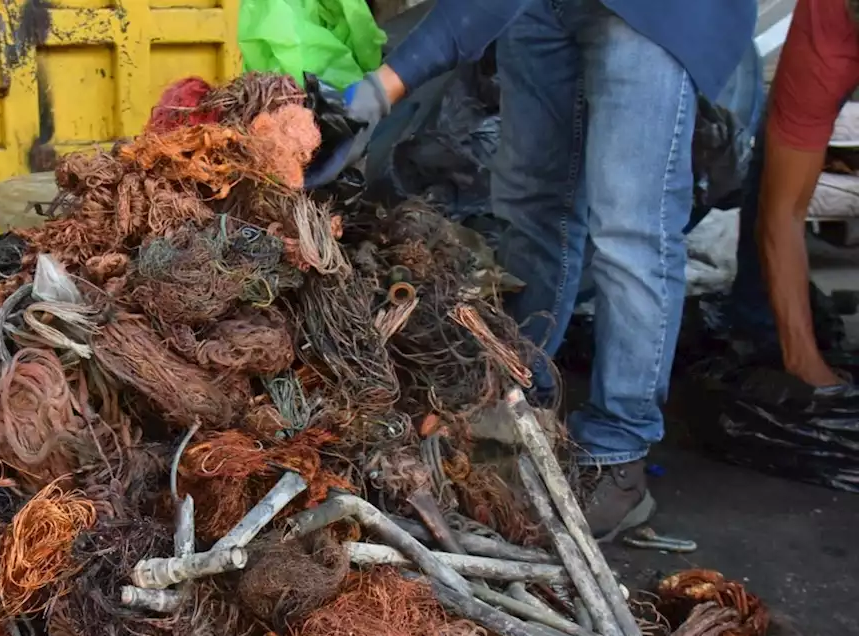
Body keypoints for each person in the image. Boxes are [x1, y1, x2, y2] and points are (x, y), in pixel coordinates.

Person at [313, 0, 756, 539]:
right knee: (529, 202)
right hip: (546, 7)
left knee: (629, 225)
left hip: (655, 11)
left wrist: (384, 88)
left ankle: (618, 453)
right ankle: (522, 400)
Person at [728, 0, 859, 389]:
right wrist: (807, 367)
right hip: (833, 37)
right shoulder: (827, 27)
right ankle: (766, 334)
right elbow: (782, 213)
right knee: (774, 181)